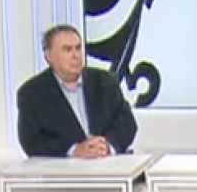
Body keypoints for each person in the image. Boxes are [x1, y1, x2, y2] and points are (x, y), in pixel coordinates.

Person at [16, 25, 138, 159]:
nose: (76, 55)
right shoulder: (32, 93)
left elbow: (127, 124)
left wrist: (106, 145)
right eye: (67, 50)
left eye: (78, 48)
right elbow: (32, 142)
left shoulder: (105, 81)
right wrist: (74, 150)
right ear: (48, 56)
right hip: (62, 168)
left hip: (108, 163)